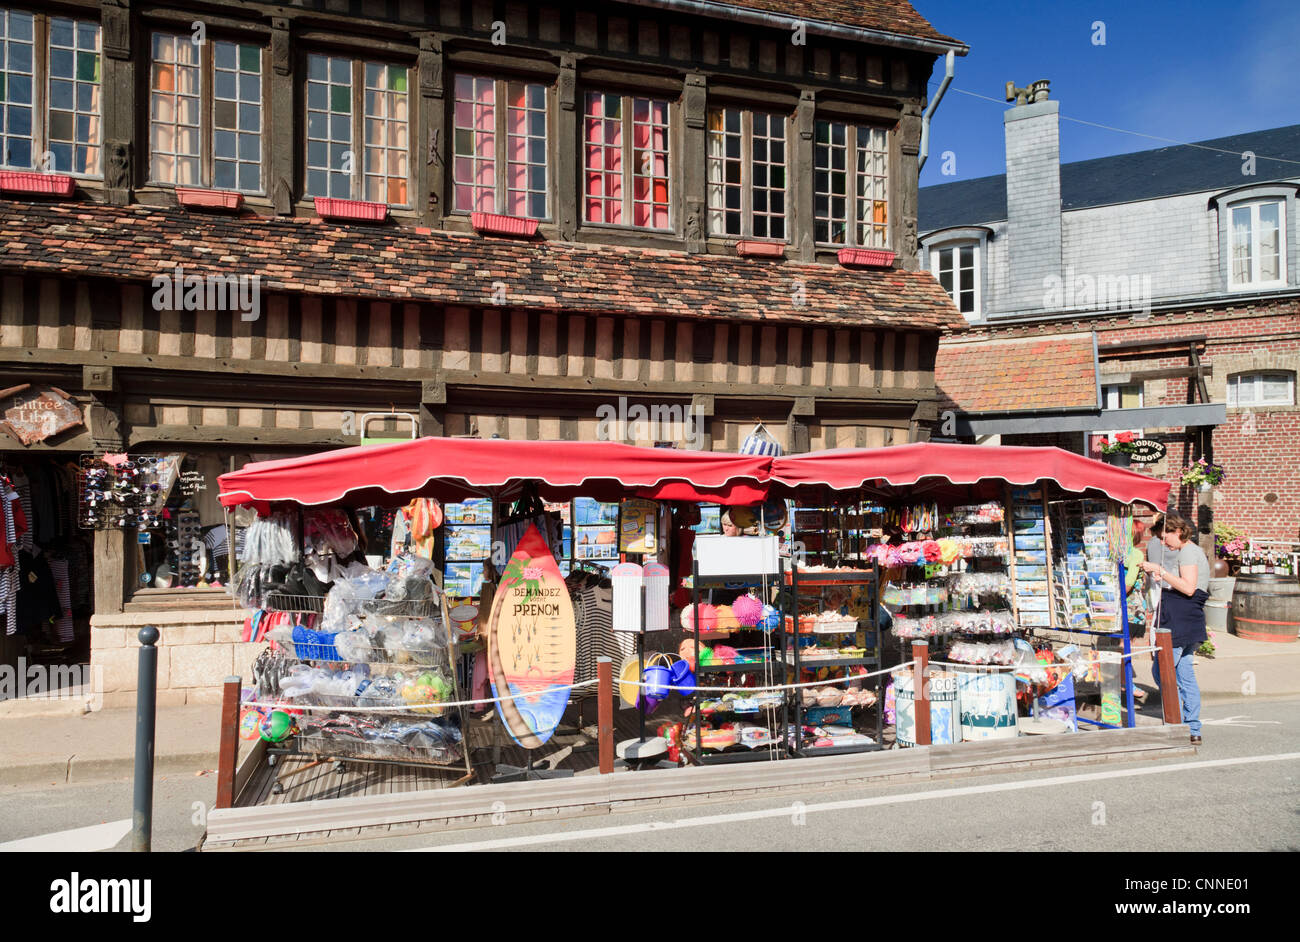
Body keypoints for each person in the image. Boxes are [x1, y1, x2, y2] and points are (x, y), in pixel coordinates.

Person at [1139, 512, 1210, 745]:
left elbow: (1189, 588)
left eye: (1165, 536)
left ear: (1177, 531)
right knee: (1184, 674)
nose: (1163, 542)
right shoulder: (1188, 551)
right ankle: (1192, 727)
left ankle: (1178, 721)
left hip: (1180, 621)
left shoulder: (1189, 551)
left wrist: (1161, 572)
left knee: (1163, 671)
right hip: (1186, 619)